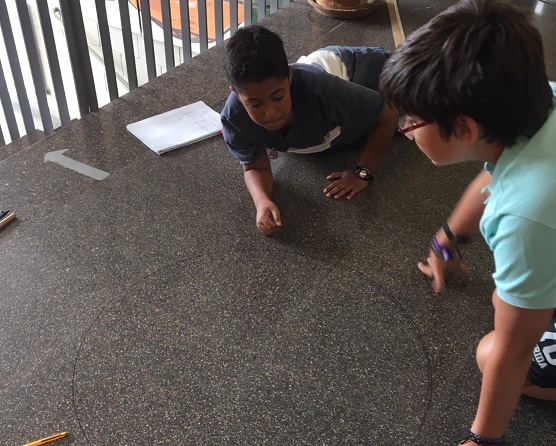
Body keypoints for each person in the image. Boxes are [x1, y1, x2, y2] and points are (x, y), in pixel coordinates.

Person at [379, 0, 556, 444]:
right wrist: (447, 239)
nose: (406, 128)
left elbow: (514, 351)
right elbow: (498, 172)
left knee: (491, 352)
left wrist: (481, 441)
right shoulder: (544, 101)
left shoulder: (523, 217)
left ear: (464, 128)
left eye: (411, 120)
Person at [221, 25, 398, 236]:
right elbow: (254, 166)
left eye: (278, 97)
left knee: (420, 102)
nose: (271, 113)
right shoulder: (234, 119)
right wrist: (262, 201)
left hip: (366, 71)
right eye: (255, 104)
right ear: (236, 93)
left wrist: (363, 172)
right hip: (333, 110)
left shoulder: (322, 91)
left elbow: (388, 112)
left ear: (289, 76)